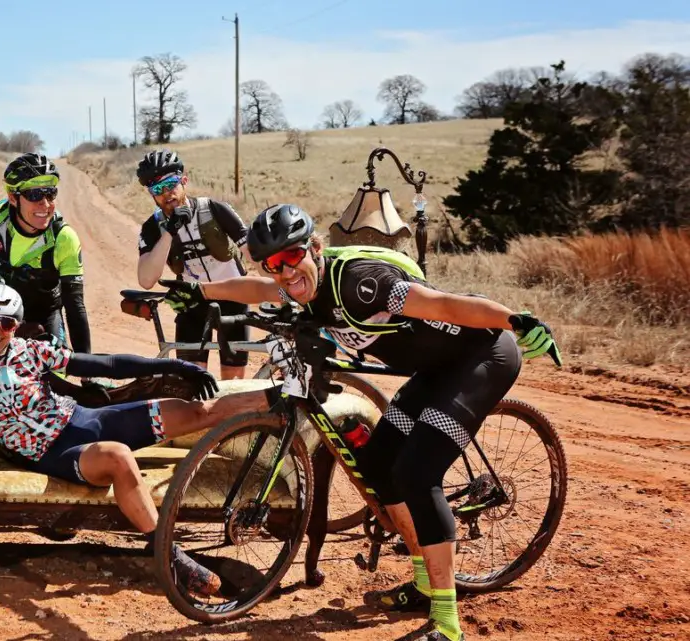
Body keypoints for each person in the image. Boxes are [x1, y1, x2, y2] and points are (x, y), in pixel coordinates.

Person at [159, 204, 562, 641]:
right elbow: (253, 289)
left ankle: (448, 624)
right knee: (378, 466)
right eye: (274, 264)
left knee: (416, 474)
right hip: (435, 371)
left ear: (314, 248)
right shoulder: (296, 287)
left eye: (292, 257)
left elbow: (445, 304)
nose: (284, 272)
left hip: (483, 356)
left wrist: (514, 320)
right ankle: (425, 582)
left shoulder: (361, 283)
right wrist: (200, 293)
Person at [0, 283, 275, 596]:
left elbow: (105, 364)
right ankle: (170, 555)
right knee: (118, 456)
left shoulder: (31, 351)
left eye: (7, 322)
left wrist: (175, 364)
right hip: (53, 452)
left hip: (84, 420)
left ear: (15, 326)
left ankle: (279, 399)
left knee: (195, 412)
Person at [0, 153, 91, 353]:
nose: (45, 204)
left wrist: (87, 372)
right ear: (13, 197)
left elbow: (75, 307)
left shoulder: (63, 237)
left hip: (43, 316)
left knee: (57, 375)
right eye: (34, 195)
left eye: (50, 193)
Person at [134, 150, 251, 380]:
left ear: (184, 180)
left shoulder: (215, 210)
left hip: (233, 300)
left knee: (234, 384)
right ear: (151, 195)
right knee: (191, 383)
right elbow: (146, 279)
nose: (167, 194)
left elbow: (254, 254)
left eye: (171, 184)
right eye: (157, 190)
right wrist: (170, 231)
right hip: (193, 304)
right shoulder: (153, 227)